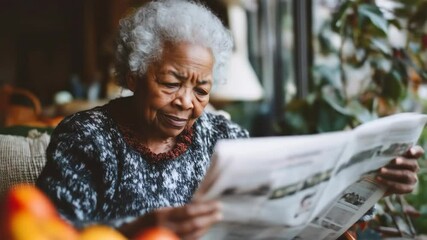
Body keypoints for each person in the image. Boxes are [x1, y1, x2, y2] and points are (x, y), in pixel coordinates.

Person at [36, 0, 423, 239]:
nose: (186, 102)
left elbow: (291, 212)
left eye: (201, 90)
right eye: (171, 83)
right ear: (134, 74)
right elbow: (49, 233)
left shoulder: (223, 135)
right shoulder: (86, 136)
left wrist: (372, 184)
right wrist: (140, 228)